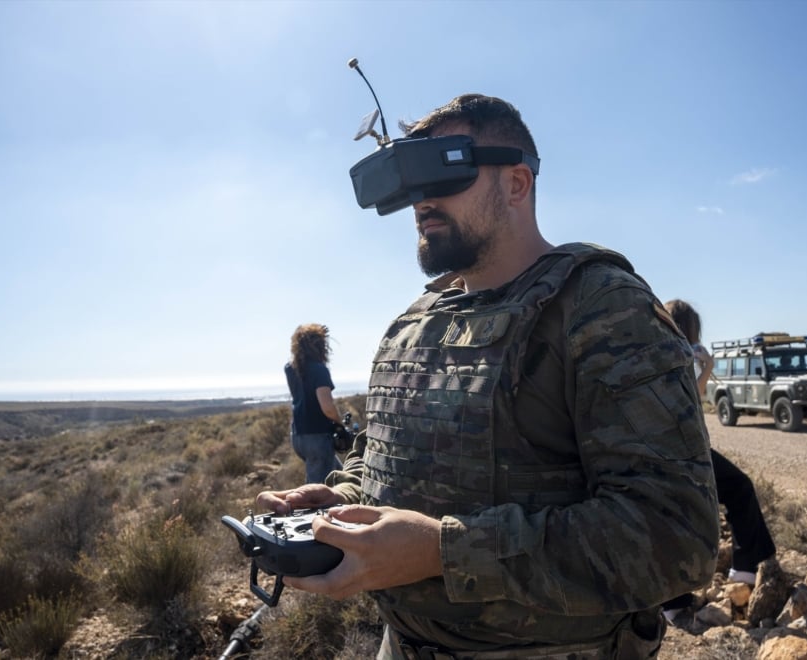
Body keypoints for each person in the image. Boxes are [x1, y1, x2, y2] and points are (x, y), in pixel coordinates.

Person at [258, 94, 719, 659]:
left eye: (443, 172)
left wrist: (442, 552)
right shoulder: (415, 322)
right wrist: (342, 499)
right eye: (412, 184)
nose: (422, 200)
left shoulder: (600, 308)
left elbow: (676, 538)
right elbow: (387, 458)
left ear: (516, 184)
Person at [662, 300, 775, 601]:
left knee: (674, 515)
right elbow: (692, 400)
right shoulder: (675, 350)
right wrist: (706, 365)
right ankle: (745, 569)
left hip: (661, 448)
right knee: (738, 488)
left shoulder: (653, 348)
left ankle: (675, 600)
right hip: (681, 449)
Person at [284, 323, 343, 484]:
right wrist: (340, 423)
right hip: (317, 436)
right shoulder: (319, 370)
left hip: (298, 436)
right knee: (318, 491)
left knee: (340, 477)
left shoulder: (290, 368)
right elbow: (327, 407)